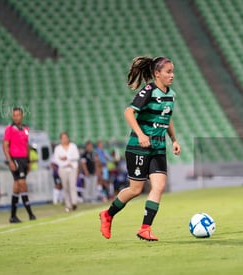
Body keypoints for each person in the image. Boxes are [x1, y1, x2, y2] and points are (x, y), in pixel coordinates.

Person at [99, 56, 181, 241]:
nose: (172, 75)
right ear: (157, 73)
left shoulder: (171, 94)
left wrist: (174, 140)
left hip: (158, 147)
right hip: (139, 147)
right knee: (135, 190)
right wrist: (141, 134)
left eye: (173, 71)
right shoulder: (149, 91)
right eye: (168, 72)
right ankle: (108, 214)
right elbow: (129, 112)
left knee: (159, 186)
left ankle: (145, 228)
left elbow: (166, 118)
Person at [2, 107, 36, 223]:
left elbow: (26, 145)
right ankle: (31, 214)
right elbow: (5, 146)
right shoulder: (9, 129)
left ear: (22, 116)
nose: (16, 117)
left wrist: (30, 161)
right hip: (15, 159)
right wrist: (10, 161)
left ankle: (13, 216)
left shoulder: (26, 129)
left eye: (18, 115)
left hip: (24, 160)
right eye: (14, 115)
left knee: (17, 187)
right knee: (22, 183)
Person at [53, 132, 80, 212]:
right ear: (60, 139)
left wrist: (67, 158)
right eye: (63, 138)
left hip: (72, 168)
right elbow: (56, 159)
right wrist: (65, 163)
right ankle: (68, 204)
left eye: (65, 137)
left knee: (72, 185)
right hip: (63, 169)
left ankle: (74, 202)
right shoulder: (58, 148)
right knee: (65, 187)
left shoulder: (73, 146)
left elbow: (77, 156)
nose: (64, 139)